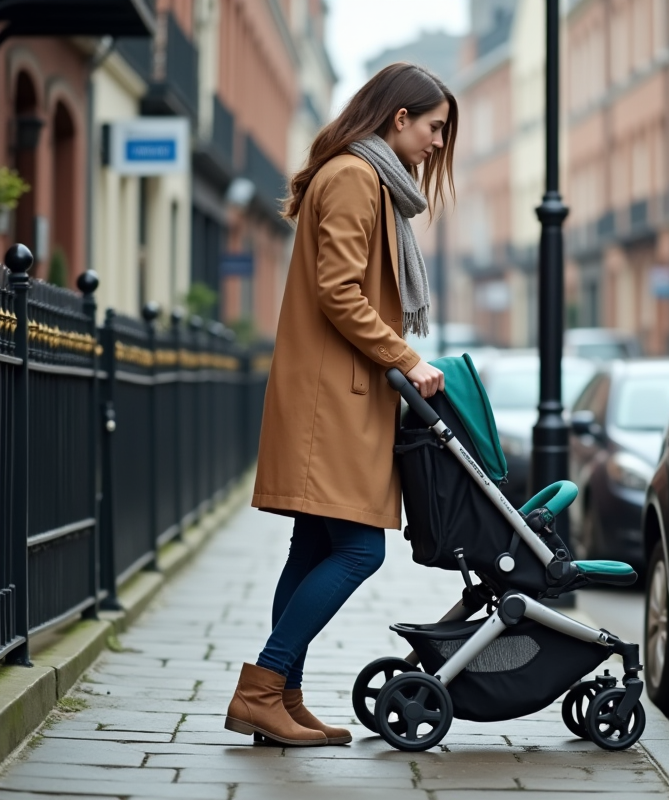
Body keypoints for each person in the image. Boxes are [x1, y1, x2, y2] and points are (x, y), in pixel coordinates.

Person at [224, 63, 457, 746]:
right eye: (435, 127)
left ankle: (281, 699)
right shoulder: (357, 178)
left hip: (333, 392)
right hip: (334, 396)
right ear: (399, 119)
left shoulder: (361, 176)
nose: (439, 143)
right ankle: (264, 686)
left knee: (311, 550)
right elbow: (341, 292)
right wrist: (407, 357)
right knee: (359, 552)